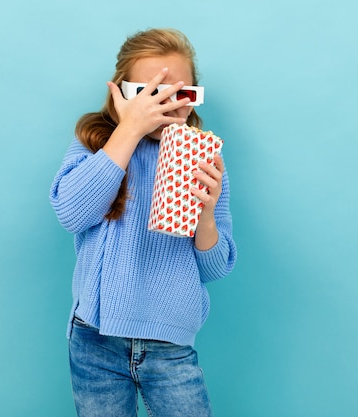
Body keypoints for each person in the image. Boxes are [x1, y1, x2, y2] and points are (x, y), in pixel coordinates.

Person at [49, 28, 236, 417]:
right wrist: (129, 129)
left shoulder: (203, 160)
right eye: (149, 94)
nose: (164, 105)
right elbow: (71, 212)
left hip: (170, 343)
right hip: (95, 339)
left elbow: (214, 268)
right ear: (120, 95)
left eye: (180, 93)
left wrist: (206, 214)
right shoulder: (96, 144)